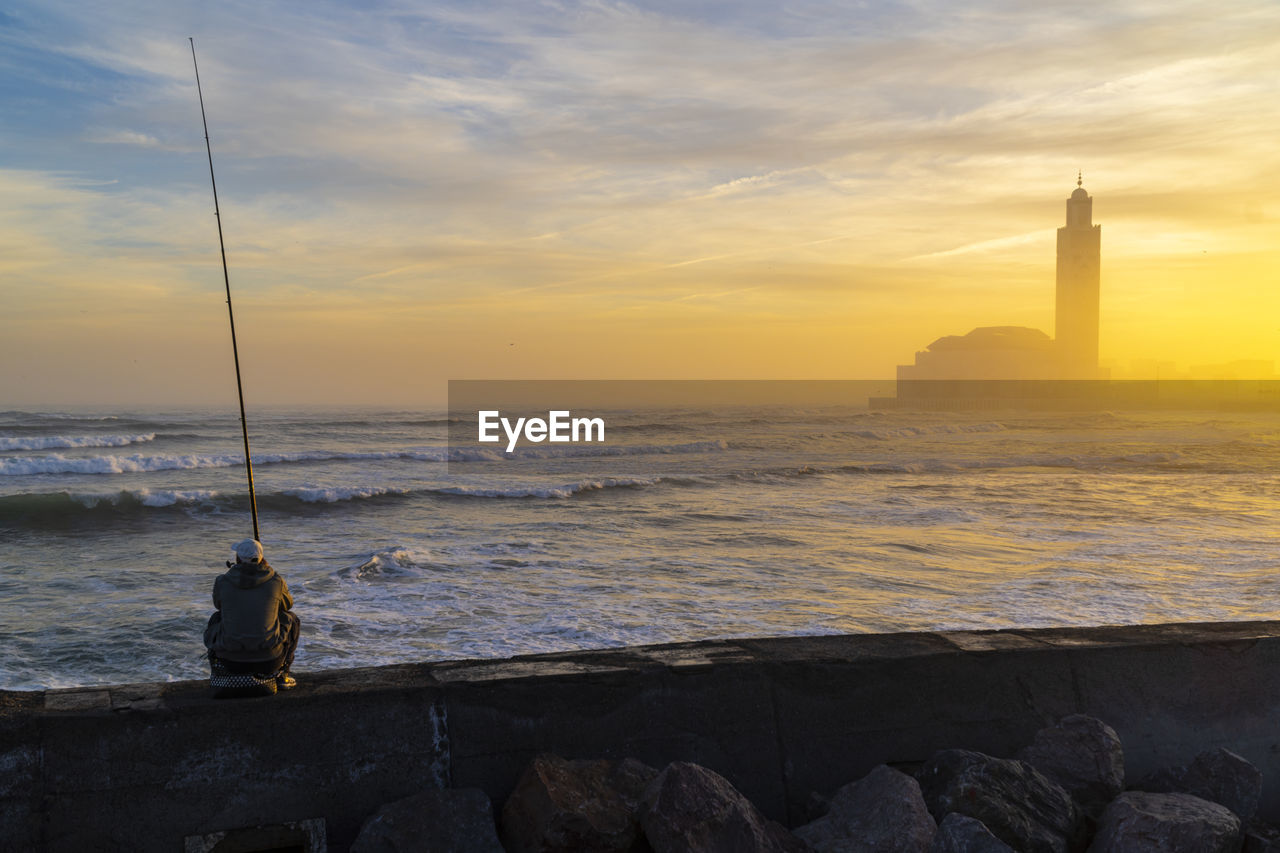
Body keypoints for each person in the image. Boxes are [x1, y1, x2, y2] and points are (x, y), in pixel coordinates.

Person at [203, 538, 300, 691]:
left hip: (231, 662)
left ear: (237, 558)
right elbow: (287, 605)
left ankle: (218, 672)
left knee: (216, 617)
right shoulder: (276, 580)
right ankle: (282, 675)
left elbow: (218, 605)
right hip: (270, 661)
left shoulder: (222, 581)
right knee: (291, 618)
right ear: (261, 558)